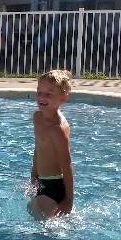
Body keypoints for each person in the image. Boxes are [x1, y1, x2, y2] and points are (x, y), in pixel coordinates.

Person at [28, 69, 74, 219]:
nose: (41, 97)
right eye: (39, 92)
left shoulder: (58, 130)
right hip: (41, 181)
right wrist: (33, 178)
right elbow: (38, 149)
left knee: (43, 228)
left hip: (54, 185)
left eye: (48, 94)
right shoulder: (37, 118)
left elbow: (67, 166)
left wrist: (68, 201)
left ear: (63, 98)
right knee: (32, 212)